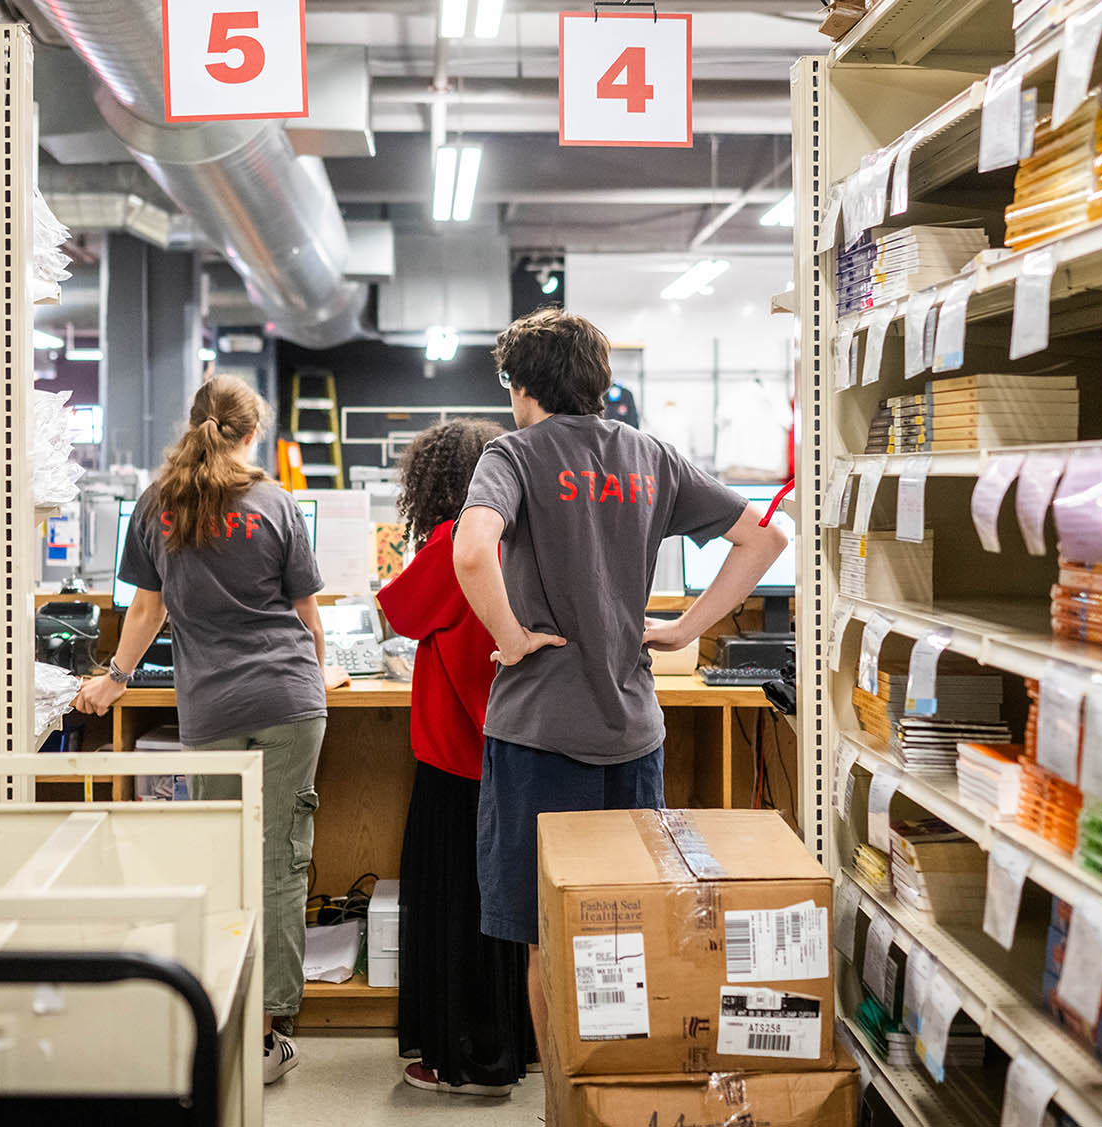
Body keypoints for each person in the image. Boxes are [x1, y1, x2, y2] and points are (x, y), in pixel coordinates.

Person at [451, 308, 790, 1068]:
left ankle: (569, 1101)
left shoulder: (514, 453)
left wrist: (510, 639)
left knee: (551, 933)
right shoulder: (651, 455)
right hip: (632, 732)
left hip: (540, 733)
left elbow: (472, 552)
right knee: (623, 927)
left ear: (521, 384)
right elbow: (765, 539)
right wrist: (685, 626)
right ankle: (619, 1088)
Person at [75, 376, 345, 1086]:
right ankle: (267, 1034)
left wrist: (114, 680)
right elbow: (308, 621)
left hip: (213, 710)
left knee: (222, 860)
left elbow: (144, 611)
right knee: (282, 861)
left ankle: (221, 1013)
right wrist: (320, 676)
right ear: (252, 433)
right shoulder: (276, 503)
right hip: (288, 703)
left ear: (193, 423)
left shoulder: (159, 506)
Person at [376, 418, 534, 1098]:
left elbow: (398, 613)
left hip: (455, 760)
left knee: (453, 911)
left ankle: (463, 1059)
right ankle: (514, 1042)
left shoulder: (449, 545)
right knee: (507, 914)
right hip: (514, 751)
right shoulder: (518, 544)